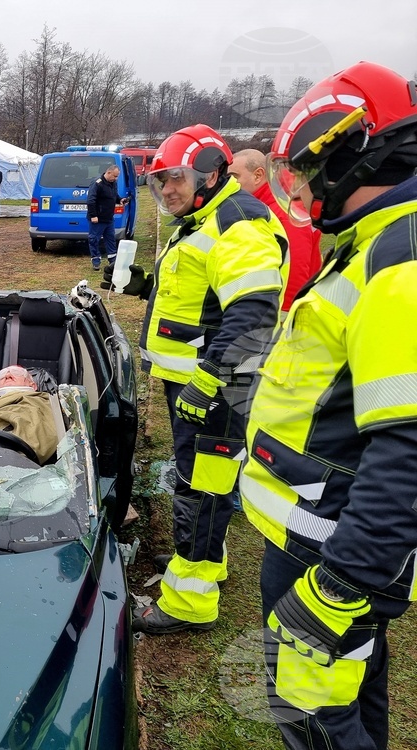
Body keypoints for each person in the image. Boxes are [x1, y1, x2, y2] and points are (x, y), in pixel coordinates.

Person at [238, 62, 417, 750]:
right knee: (347, 691)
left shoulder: (396, 262)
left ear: (351, 153)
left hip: (332, 552)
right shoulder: (373, 246)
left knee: (314, 712)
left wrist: (339, 586)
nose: (303, 190)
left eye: (308, 172)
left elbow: (407, 451)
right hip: (320, 534)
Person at [119, 124, 286, 635]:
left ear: (212, 175)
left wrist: (207, 381)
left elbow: (253, 314)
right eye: (159, 181)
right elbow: (203, 299)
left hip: (213, 389)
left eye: (177, 179)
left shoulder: (237, 223)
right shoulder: (201, 220)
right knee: (201, 484)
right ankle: (203, 563)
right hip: (192, 383)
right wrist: (142, 284)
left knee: (200, 488)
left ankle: (189, 602)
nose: (167, 189)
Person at [227, 149, 322, 312]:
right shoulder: (261, 208)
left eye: (234, 177)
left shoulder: (284, 214)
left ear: (258, 175)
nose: (228, 184)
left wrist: (283, 320)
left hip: (282, 314)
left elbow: (295, 273)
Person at [86, 164, 125, 270]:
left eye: (117, 177)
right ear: (108, 173)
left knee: (111, 239)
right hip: (97, 218)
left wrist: (120, 200)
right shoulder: (97, 183)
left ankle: (113, 261)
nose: (116, 179)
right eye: (115, 176)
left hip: (109, 217)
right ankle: (96, 261)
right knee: (94, 239)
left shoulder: (113, 183)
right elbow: (91, 200)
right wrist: (93, 215)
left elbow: (113, 195)